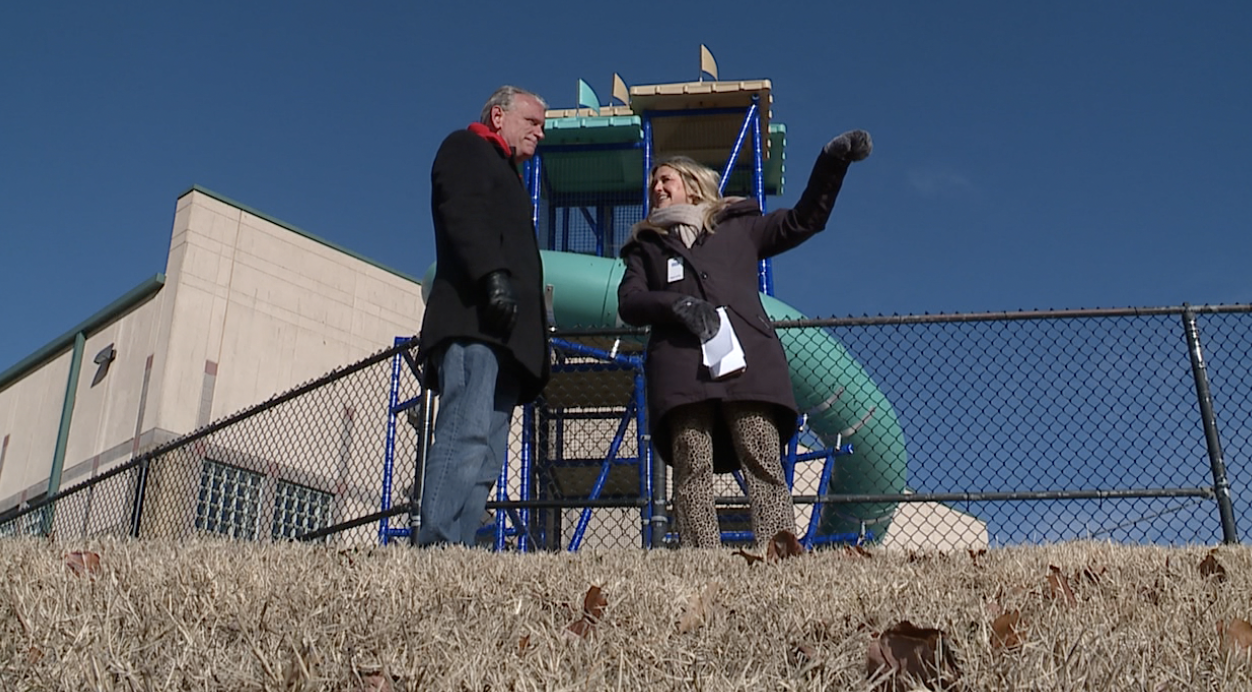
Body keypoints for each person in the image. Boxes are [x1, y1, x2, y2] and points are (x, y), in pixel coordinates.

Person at [616, 130, 873, 548]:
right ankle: (702, 556)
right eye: (653, 185)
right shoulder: (646, 248)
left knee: (762, 456)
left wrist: (831, 163)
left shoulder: (739, 227)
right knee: (690, 461)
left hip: (746, 362)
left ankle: (778, 549)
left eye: (666, 180)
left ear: (693, 185)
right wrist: (674, 307)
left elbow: (806, 219)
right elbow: (629, 302)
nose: (657, 188)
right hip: (680, 368)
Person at [416, 86, 550, 547]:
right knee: (465, 431)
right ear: (498, 116)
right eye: (533, 122)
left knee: (489, 454)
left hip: (509, 337)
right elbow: (463, 213)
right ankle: (436, 541)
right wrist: (492, 276)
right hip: (474, 321)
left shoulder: (508, 175)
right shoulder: (466, 147)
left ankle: (459, 545)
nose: (540, 133)